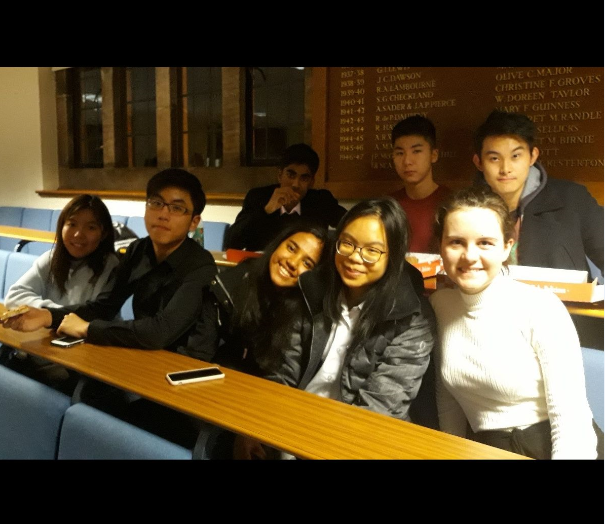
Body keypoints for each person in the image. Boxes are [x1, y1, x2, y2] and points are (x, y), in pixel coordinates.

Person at [233, 197, 438, 460]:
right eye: (347, 243)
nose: (354, 258)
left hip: (354, 445)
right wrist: (255, 425)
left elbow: (380, 409)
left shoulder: (411, 318)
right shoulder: (312, 292)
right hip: (290, 431)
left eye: (372, 250)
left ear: (394, 256)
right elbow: (283, 376)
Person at [429, 185, 599, 459]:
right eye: (456, 242)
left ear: (507, 247)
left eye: (485, 242)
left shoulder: (540, 307)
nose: (470, 256)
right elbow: (448, 400)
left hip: (554, 447)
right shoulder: (440, 306)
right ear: (441, 247)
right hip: (484, 448)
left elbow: (571, 420)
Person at [1, 168, 218, 361]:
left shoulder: (200, 265)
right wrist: (49, 316)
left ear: (194, 222)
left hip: (187, 365)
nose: (163, 214)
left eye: (177, 208)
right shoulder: (139, 250)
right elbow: (105, 306)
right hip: (145, 353)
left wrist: (87, 328)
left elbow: (160, 331)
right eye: (156, 203)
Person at [1, 194, 120, 392]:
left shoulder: (111, 266)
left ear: (104, 233)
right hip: (44, 351)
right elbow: (14, 295)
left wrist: (47, 316)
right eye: (71, 224)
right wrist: (49, 315)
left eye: (90, 227)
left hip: (82, 359)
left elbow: (94, 314)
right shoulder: (51, 259)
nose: (78, 234)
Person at [472, 109, 603, 274]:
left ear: (532, 156)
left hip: (563, 299)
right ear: (479, 162)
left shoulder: (572, 198)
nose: (505, 169)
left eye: (515, 156)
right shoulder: (466, 208)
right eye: (494, 159)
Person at [211, 223, 329, 376]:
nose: (292, 262)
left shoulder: (306, 316)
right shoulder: (234, 282)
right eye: (291, 248)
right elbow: (200, 350)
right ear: (277, 244)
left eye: (307, 263)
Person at [224, 143, 347, 252]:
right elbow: (231, 243)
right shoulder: (258, 197)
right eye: (290, 175)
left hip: (305, 273)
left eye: (304, 178)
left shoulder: (321, 201)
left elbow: (351, 222)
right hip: (261, 270)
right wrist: (266, 210)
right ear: (280, 175)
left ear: (311, 182)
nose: (295, 184)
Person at [389, 115, 452, 254]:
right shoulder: (388, 206)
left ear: (433, 155)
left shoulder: (452, 203)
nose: (407, 161)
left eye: (416, 151)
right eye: (400, 153)